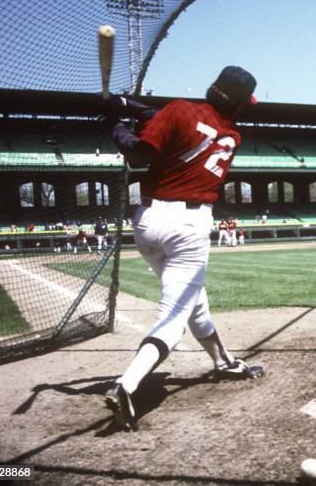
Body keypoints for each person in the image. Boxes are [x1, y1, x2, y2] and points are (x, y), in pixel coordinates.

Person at [102, 66, 263, 431]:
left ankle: (224, 362)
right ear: (235, 104)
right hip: (188, 227)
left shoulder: (179, 110)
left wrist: (116, 122)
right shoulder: (232, 135)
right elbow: (165, 119)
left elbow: (140, 150)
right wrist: (126, 105)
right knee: (174, 317)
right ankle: (126, 386)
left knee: (194, 303)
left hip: (147, 224)